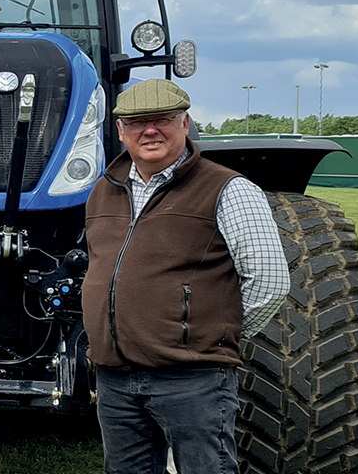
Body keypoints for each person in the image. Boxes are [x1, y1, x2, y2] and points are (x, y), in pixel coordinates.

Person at [82, 78, 289, 474]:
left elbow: (269, 281)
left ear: (186, 124)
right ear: (120, 131)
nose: (150, 130)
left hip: (191, 380)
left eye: (163, 119)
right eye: (137, 122)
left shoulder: (228, 188)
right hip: (116, 379)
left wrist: (209, 340)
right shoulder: (103, 191)